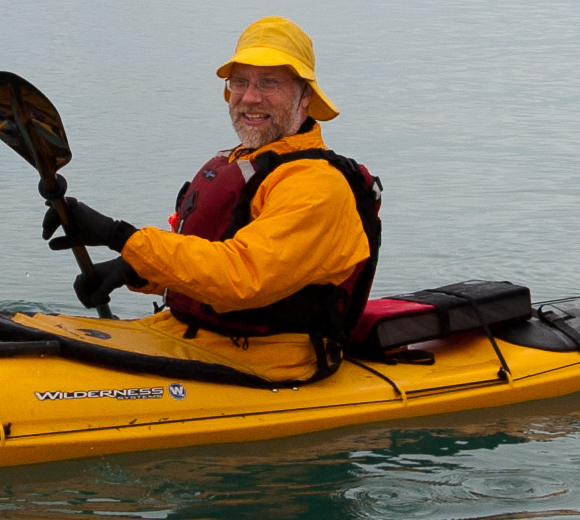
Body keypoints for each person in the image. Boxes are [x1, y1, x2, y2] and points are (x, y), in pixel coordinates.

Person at [47, 18, 384, 354]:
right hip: (201, 340)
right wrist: (133, 269)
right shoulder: (245, 163)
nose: (250, 98)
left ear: (305, 95)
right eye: (241, 82)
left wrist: (117, 236)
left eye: (269, 83)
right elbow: (201, 263)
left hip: (267, 361)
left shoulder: (317, 185)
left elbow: (240, 277)